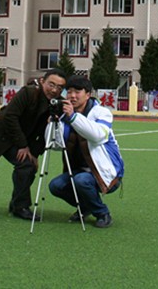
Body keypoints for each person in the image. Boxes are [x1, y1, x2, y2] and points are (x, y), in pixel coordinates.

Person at [0, 69, 67, 221]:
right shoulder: (28, 93)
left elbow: (46, 133)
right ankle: (20, 207)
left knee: (30, 165)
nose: (55, 90)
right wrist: (23, 146)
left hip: (23, 138)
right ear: (42, 81)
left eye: (60, 87)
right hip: (3, 134)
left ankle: (16, 204)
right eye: (51, 84)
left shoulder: (58, 104)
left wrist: (35, 153)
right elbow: (10, 116)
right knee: (25, 164)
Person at [49, 76, 124, 228]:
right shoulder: (64, 115)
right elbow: (54, 145)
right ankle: (87, 206)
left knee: (81, 180)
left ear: (88, 94)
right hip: (79, 171)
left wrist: (73, 117)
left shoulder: (101, 112)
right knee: (56, 186)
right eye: (69, 92)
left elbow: (98, 135)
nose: (72, 96)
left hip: (105, 171)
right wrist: (53, 123)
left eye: (77, 92)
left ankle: (102, 213)